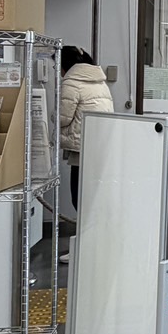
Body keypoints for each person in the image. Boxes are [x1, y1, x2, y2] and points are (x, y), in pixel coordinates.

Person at [58, 46, 113, 262]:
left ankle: (86, 248)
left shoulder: (72, 82)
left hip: (82, 148)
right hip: (100, 146)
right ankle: (96, 244)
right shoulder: (99, 81)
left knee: (80, 199)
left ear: (64, 65)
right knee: (92, 199)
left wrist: (49, 117)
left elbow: (63, 118)